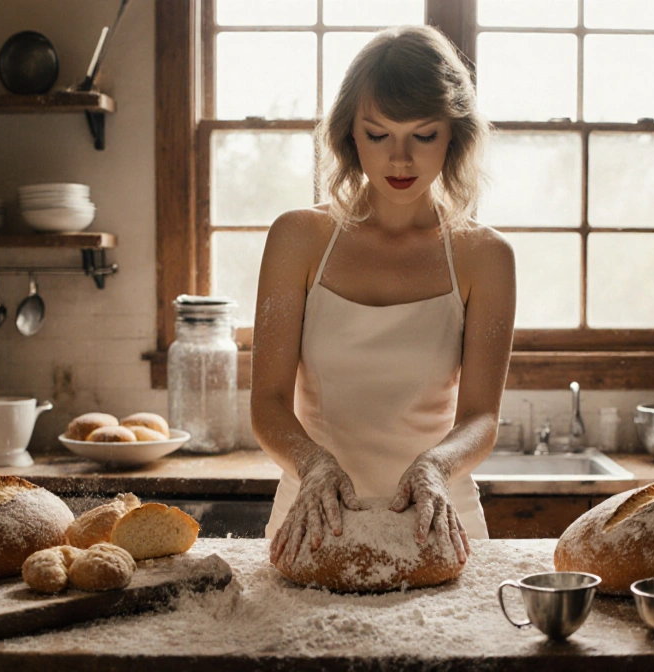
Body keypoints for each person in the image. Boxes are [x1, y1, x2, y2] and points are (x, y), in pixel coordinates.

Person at [251, 25, 516, 568]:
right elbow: (268, 404)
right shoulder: (298, 238)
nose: (400, 159)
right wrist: (315, 464)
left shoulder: (485, 256)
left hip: (438, 520)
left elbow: (481, 417)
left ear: (454, 136)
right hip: (314, 517)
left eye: (423, 135)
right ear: (349, 133)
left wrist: (436, 466)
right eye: (378, 135)